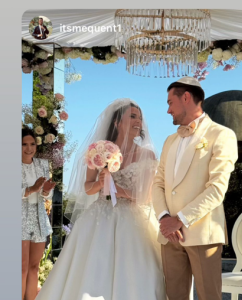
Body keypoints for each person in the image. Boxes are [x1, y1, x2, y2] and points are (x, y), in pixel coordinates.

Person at [36, 99, 166, 300]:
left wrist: (120, 190)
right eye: (132, 116)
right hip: (100, 215)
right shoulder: (99, 151)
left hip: (133, 219)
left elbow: (147, 195)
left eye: (139, 117)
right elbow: (88, 188)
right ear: (116, 123)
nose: (138, 121)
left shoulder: (147, 154)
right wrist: (101, 183)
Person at [152, 77, 238, 300]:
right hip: (170, 236)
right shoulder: (169, 140)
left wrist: (180, 219)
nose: (168, 110)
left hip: (203, 234)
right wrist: (164, 218)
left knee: (210, 296)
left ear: (186, 97)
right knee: (174, 296)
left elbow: (217, 188)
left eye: (170, 102)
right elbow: (158, 183)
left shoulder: (221, 135)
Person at [22, 127, 56, 300]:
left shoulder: (42, 164)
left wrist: (45, 191)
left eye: (32, 144)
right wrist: (32, 189)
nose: (29, 148)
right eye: (24, 144)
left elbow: (46, 196)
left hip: (39, 218)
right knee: (21, 267)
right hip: (20, 218)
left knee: (34, 267)